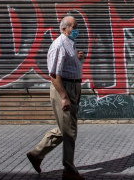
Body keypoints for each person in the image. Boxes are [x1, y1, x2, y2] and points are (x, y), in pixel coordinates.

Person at [27, 15, 85, 180]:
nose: (77, 29)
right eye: (74, 27)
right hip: (64, 89)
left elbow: (67, 66)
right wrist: (64, 96)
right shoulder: (59, 45)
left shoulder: (69, 44)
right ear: (65, 29)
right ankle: (69, 170)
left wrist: (78, 58)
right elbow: (54, 75)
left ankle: (36, 155)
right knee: (70, 131)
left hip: (72, 87)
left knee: (64, 128)